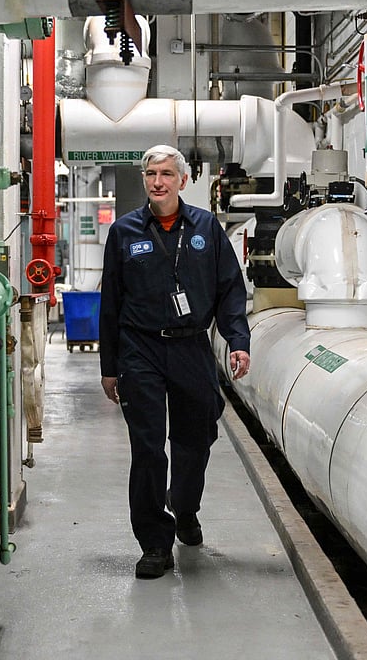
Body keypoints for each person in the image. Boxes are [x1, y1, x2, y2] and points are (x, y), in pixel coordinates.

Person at [99, 144, 251, 580]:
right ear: (144, 180)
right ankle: (154, 543)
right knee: (147, 449)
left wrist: (237, 340)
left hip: (191, 347)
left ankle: (184, 508)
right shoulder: (125, 232)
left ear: (183, 180)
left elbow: (229, 290)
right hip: (140, 349)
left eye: (166, 173)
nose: (158, 181)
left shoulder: (206, 228)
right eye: (151, 174)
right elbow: (111, 301)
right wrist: (110, 366)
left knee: (195, 440)